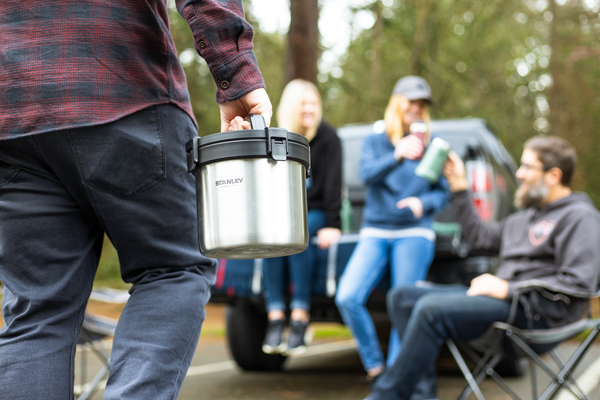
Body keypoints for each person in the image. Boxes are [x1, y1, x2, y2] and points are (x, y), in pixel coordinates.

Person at [0, 1, 271, 399]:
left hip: (13, 111)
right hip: (121, 84)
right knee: (174, 267)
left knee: (38, 310)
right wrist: (236, 72)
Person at [365, 135, 600, 400]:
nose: (519, 174)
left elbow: (580, 283)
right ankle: (422, 396)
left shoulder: (580, 217)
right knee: (403, 296)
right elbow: (479, 237)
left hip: (538, 314)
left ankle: (384, 397)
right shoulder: (523, 219)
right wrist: (459, 187)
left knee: (432, 310)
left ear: (554, 175)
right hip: (504, 304)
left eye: (527, 167)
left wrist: (509, 288)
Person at [335, 76, 451, 381]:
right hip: (376, 229)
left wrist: (421, 204)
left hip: (415, 231)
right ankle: (375, 365)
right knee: (347, 296)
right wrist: (397, 154)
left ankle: (396, 376)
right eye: (412, 101)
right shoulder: (377, 139)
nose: (417, 108)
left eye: (422, 104)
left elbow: (442, 192)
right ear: (398, 102)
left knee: (404, 304)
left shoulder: (433, 146)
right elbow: (366, 174)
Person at [261, 79, 342, 355]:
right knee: (274, 237)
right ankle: (275, 316)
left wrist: (334, 224)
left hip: (315, 213)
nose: (309, 109)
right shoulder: (278, 139)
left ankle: (300, 315)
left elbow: (333, 187)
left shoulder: (329, 138)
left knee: (300, 231)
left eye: (314, 104)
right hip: (283, 213)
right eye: (303, 104)